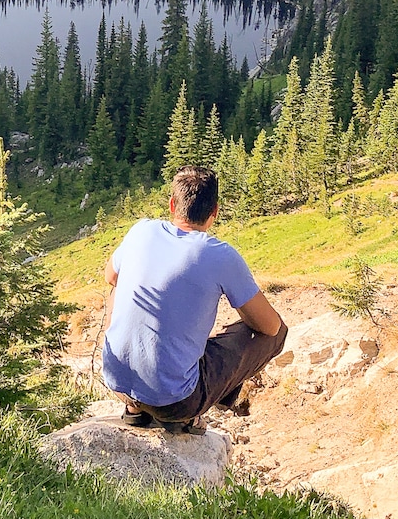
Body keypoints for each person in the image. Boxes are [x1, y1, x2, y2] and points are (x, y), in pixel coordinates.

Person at [101, 165, 286, 429]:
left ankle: (135, 407)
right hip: (175, 402)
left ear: (172, 205)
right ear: (215, 212)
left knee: (119, 287)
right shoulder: (220, 255)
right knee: (276, 333)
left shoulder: (141, 230)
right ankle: (189, 413)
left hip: (115, 380)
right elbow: (270, 326)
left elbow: (111, 276)